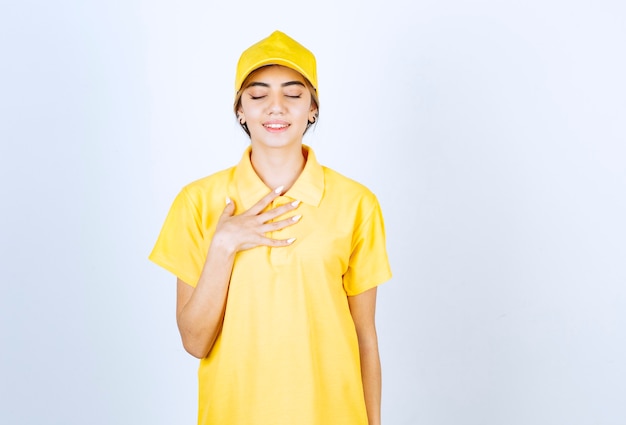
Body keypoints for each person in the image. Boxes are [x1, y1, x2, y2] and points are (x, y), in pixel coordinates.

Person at [149, 30, 392, 425]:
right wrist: (224, 244)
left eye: (293, 94)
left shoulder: (356, 203)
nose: (275, 108)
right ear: (240, 110)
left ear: (312, 108)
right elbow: (195, 342)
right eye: (258, 95)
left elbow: (365, 335)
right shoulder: (198, 201)